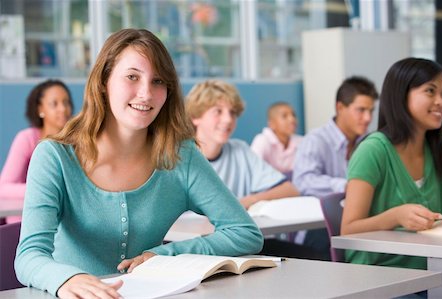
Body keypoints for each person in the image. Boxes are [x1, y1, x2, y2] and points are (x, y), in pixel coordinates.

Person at [15, 29, 263, 299]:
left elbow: (245, 233)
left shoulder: (180, 156)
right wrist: (67, 280)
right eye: (132, 77)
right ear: (103, 81)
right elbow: (29, 256)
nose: (146, 93)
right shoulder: (55, 156)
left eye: (158, 81)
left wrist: (163, 254)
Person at [341, 57, 442, 271]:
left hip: (434, 271)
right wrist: (396, 216)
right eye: (430, 91)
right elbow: (348, 229)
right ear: (401, 96)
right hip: (381, 274)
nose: (441, 102)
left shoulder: (436, 150)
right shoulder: (373, 150)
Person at [292, 76, 378, 259]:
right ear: (340, 107)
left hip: (357, 223)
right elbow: (303, 182)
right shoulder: (315, 140)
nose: (368, 118)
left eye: (371, 111)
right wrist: (347, 186)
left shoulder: (370, 143)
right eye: (361, 110)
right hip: (317, 228)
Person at [185, 79, 299, 210]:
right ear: (195, 117)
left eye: (232, 112)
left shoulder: (240, 150)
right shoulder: (178, 158)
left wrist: (250, 200)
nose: (228, 119)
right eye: (218, 111)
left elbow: (290, 190)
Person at [0, 79, 73, 223]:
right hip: (25, 221)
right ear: (40, 109)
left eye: (66, 102)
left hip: (63, 222)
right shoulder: (27, 139)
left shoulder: (76, 141)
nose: (63, 109)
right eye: (54, 104)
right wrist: (44, 189)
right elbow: (3, 187)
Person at [251, 101, 303, 180]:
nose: (292, 119)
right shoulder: (262, 140)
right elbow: (252, 171)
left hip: (294, 187)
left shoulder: (302, 141)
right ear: (272, 124)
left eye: (293, 115)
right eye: (284, 116)